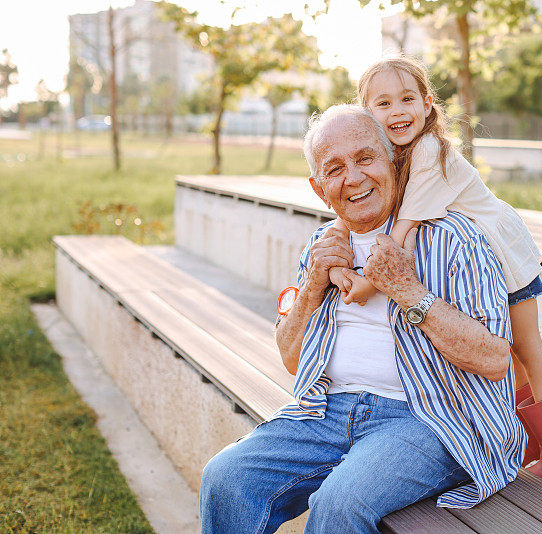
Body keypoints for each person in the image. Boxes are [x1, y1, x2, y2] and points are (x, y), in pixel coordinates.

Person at [199, 104, 525, 534]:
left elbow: (494, 360)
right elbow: (294, 360)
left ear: (392, 158)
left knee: (339, 503)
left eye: (365, 158)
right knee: (225, 478)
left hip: (429, 417)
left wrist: (408, 290)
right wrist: (313, 284)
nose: (352, 178)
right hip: (328, 412)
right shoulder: (323, 248)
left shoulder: (455, 238)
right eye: (335, 168)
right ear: (319, 189)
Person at [327, 57, 542, 482]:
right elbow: (356, 207)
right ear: (366, 115)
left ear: (428, 104)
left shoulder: (429, 151)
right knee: (514, 358)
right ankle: (532, 439)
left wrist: (367, 283)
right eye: (384, 103)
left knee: (526, 347)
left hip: (505, 254)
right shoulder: (393, 154)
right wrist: (332, 237)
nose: (397, 111)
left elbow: (402, 235)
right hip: (480, 260)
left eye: (408, 99)